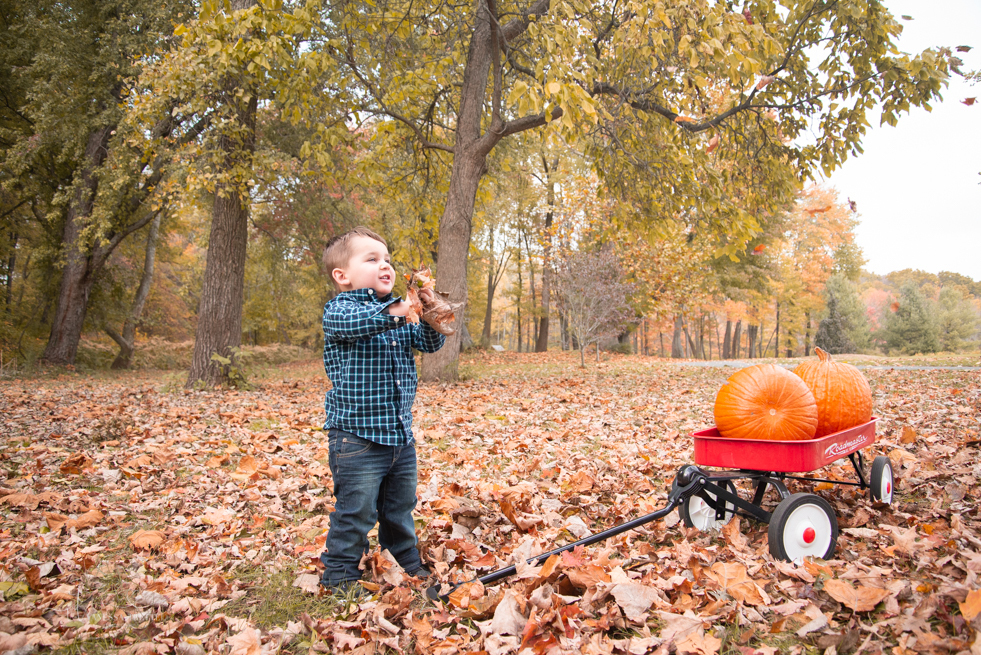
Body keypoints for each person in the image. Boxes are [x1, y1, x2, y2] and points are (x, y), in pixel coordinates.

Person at [317, 226, 446, 596]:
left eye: (387, 259)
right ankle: (339, 574)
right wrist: (398, 311)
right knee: (356, 511)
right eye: (371, 259)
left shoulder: (400, 315)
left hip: (399, 436)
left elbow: (428, 341)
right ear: (342, 276)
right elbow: (359, 324)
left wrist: (429, 310)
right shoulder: (341, 311)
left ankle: (404, 561)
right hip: (357, 437)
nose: (384, 265)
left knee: (400, 506)